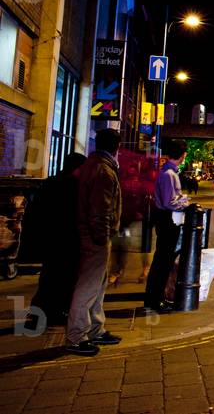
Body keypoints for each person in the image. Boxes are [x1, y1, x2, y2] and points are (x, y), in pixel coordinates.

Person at [65, 129, 123, 356]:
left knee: (98, 286)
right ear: (116, 147)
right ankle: (77, 336)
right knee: (88, 287)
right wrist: (101, 237)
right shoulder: (103, 171)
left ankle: (96, 329)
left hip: (93, 235)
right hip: (95, 237)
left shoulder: (94, 164)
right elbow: (100, 210)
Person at [29, 152, 87, 329]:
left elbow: (36, 210)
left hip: (51, 237)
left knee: (49, 275)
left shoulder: (50, 182)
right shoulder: (74, 185)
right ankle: (58, 310)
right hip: (67, 237)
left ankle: (40, 311)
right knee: (66, 276)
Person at [143, 139, 190, 313]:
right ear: (183, 156)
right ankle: (155, 300)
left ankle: (154, 297)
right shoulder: (169, 174)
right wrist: (184, 202)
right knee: (163, 262)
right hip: (168, 220)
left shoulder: (167, 172)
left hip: (165, 220)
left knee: (162, 260)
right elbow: (170, 202)